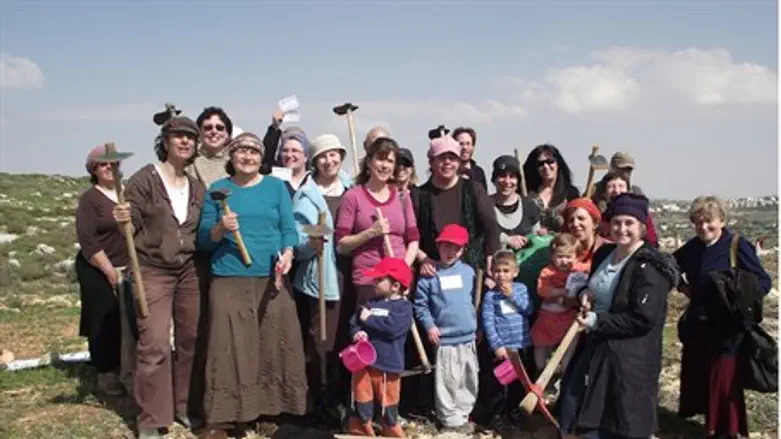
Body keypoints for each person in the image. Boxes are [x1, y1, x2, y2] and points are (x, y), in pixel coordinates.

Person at [195, 132, 306, 438]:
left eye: (253, 152)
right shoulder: (218, 190)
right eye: (241, 151)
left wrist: (287, 253)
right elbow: (204, 240)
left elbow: (288, 229)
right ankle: (224, 418)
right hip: (229, 278)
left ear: (261, 157)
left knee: (271, 343)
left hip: (270, 278)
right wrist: (220, 228)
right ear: (231, 156)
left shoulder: (275, 187)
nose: (247, 157)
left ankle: (268, 412)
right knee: (228, 346)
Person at [112, 114, 206, 439]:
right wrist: (124, 218)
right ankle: (151, 417)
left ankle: (184, 405)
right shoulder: (144, 180)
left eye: (190, 137)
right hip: (152, 269)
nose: (185, 141)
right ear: (165, 141)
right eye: (178, 136)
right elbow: (131, 223)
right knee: (154, 343)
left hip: (189, 270)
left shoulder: (196, 186)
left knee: (191, 339)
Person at [558, 193, 678, 439]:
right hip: (597, 346)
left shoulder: (650, 266)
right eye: (617, 223)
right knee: (584, 406)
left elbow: (643, 319)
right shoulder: (604, 254)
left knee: (619, 417)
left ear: (642, 227)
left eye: (629, 223)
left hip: (629, 357)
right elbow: (594, 287)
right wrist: (584, 294)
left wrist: (597, 321)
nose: (622, 229)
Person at [673, 196, 771, 439]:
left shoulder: (737, 246)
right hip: (700, 324)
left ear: (722, 220)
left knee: (724, 380)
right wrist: (683, 287)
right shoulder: (693, 247)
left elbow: (763, 281)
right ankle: (709, 426)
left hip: (728, 327)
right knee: (704, 376)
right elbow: (671, 266)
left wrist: (739, 295)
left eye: (709, 221)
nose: (703, 227)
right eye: (698, 222)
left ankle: (728, 431)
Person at [291, 133, 354, 423]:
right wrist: (310, 244)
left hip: (350, 273)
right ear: (314, 162)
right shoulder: (306, 196)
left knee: (347, 337)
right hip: (322, 275)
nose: (329, 161)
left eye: (334, 154)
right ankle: (320, 400)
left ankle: (345, 397)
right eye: (322, 156)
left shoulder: (353, 188)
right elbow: (297, 240)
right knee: (321, 341)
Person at [335, 137, 420, 306]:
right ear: (369, 162)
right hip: (369, 282)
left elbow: (413, 240)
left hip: (398, 283)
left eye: (390, 161)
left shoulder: (402, 197)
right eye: (380, 159)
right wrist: (371, 233)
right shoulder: (353, 197)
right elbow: (341, 246)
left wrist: (402, 269)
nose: (385, 165)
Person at [75, 145, 131, 396]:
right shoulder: (90, 199)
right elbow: (87, 240)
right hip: (96, 266)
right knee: (104, 317)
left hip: (128, 265)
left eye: (113, 163)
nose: (109, 168)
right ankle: (106, 371)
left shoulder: (127, 194)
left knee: (128, 317)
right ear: (94, 169)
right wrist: (109, 271)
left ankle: (128, 365)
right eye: (103, 164)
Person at [413, 224, 479, 433]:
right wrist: (429, 326)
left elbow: (473, 300)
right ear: (438, 246)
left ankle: (463, 413)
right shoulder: (430, 276)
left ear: (463, 250)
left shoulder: (469, 272)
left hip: (468, 337)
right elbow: (421, 306)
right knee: (448, 379)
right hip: (445, 338)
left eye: (456, 248)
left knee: (468, 378)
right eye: (446, 246)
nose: (450, 252)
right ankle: (450, 419)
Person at [347, 257, 413, 438]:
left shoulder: (404, 308)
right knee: (362, 396)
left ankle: (390, 428)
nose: (374, 282)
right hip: (363, 363)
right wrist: (357, 332)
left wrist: (370, 320)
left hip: (389, 364)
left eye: (379, 279)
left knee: (388, 400)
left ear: (395, 286)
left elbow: (394, 329)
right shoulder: (370, 303)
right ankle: (361, 427)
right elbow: (355, 321)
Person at [474, 250, 533, 428]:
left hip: (521, 345)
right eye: (497, 271)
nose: (501, 275)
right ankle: (494, 416)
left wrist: (511, 296)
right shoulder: (491, 296)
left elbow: (528, 309)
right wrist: (497, 346)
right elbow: (488, 322)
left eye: (506, 271)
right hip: (503, 348)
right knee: (498, 384)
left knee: (519, 383)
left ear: (515, 272)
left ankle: (515, 413)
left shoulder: (521, 289)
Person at [531, 233, 589, 374]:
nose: (564, 261)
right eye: (560, 256)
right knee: (541, 344)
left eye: (568, 257)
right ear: (552, 256)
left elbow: (590, 269)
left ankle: (564, 370)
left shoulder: (578, 270)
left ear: (576, 257)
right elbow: (542, 289)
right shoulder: (548, 271)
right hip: (548, 317)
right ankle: (540, 369)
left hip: (568, 316)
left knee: (570, 343)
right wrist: (559, 292)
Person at [522, 144, 579, 233]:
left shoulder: (571, 193)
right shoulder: (526, 193)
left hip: (563, 240)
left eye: (550, 161)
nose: (545, 166)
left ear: (558, 164)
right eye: (540, 164)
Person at [490, 155, 541, 251]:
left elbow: (537, 240)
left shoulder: (529, 206)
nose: (507, 181)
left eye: (512, 176)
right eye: (502, 176)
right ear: (494, 179)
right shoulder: (484, 205)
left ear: (518, 181)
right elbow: (478, 235)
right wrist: (506, 240)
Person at [595, 171, 658, 248]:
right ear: (604, 193)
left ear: (628, 189)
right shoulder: (600, 216)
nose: (616, 190)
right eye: (611, 186)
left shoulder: (639, 213)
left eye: (621, 186)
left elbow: (652, 240)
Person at [188, 107, 234, 189]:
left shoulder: (236, 163)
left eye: (219, 128)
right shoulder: (188, 163)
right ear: (199, 134)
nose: (214, 131)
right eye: (208, 128)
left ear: (227, 135)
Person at [562, 198, 606, 264]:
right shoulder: (563, 252)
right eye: (571, 220)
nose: (575, 224)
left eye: (581, 218)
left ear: (595, 224)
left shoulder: (607, 250)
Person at [276, 128, 312, 196]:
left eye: (295, 150)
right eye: (285, 150)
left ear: (306, 156)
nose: (289, 155)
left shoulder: (315, 181)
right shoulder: (273, 181)